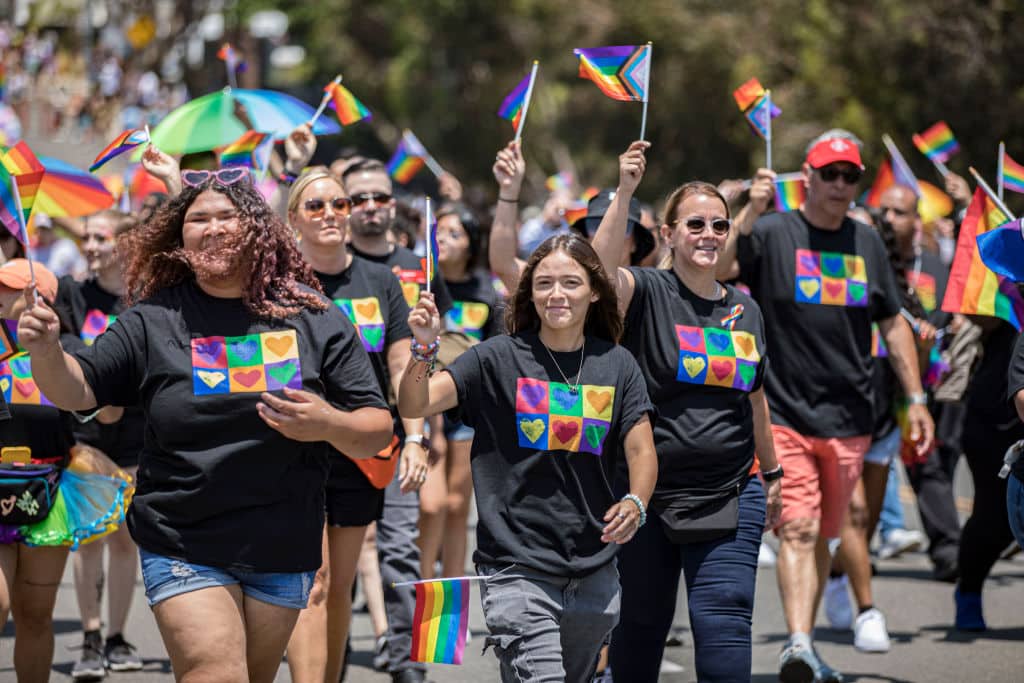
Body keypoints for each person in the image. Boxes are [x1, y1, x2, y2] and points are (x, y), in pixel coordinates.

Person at [19, 169, 393, 683]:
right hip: (182, 540)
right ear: (179, 236)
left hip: (282, 542)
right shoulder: (151, 318)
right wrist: (45, 352)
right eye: (198, 219)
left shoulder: (311, 313)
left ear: (257, 229)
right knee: (215, 672)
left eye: (227, 217)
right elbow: (77, 389)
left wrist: (328, 423)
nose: (212, 228)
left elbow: (376, 427)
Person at [719, 130, 934, 683]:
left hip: (849, 417)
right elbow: (720, 268)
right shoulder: (772, 231)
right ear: (807, 177)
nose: (840, 185)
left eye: (849, 175)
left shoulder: (865, 245)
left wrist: (915, 399)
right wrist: (748, 209)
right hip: (783, 409)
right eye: (829, 173)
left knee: (825, 534)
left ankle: (805, 640)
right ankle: (798, 643)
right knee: (797, 527)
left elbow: (892, 323)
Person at [398, 233, 658, 683]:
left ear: (594, 290)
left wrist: (636, 502)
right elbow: (416, 403)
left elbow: (641, 449)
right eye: (544, 284)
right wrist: (423, 347)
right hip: (515, 565)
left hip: (595, 566)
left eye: (571, 283)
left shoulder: (617, 363)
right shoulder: (495, 358)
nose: (556, 294)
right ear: (529, 293)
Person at [587, 142, 783, 681]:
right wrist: (625, 192)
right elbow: (600, 274)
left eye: (719, 225)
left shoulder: (745, 308)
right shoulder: (647, 290)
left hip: (729, 493)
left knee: (723, 621)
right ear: (669, 233)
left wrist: (771, 474)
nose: (709, 235)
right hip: (645, 496)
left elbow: (755, 396)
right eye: (695, 224)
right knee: (641, 628)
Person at [284, 170, 426, 683]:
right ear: (293, 218)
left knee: (340, 584)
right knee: (314, 582)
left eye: (338, 204)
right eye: (315, 206)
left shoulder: (381, 280)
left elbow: (400, 369)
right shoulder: (278, 282)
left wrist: (415, 438)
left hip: (362, 449)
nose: (330, 214)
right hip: (294, 448)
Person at [340, 158, 449, 683]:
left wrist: (426, 432)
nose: (369, 207)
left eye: (378, 197)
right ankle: (330, 659)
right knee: (335, 558)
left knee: (415, 541)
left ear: (393, 202)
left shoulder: (415, 265)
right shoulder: (324, 267)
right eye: (355, 199)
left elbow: (427, 353)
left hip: (405, 426)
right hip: (336, 438)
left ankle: (412, 663)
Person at [52, 210, 146, 679]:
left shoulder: (144, 297)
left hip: (136, 440)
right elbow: (67, 355)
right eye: (85, 236)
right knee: (89, 540)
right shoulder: (73, 293)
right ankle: (90, 637)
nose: (90, 245)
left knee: (126, 541)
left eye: (101, 237)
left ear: (126, 243)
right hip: (87, 437)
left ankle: (117, 636)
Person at [418, 202, 503, 581]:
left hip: (470, 409)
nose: (445, 240)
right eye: (441, 232)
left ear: (472, 242)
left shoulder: (488, 289)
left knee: (456, 506)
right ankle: (419, 593)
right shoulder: (423, 285)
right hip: (428, 402)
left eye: (456, 233)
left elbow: (497, 349)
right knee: (430, 505)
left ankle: (452, 596)